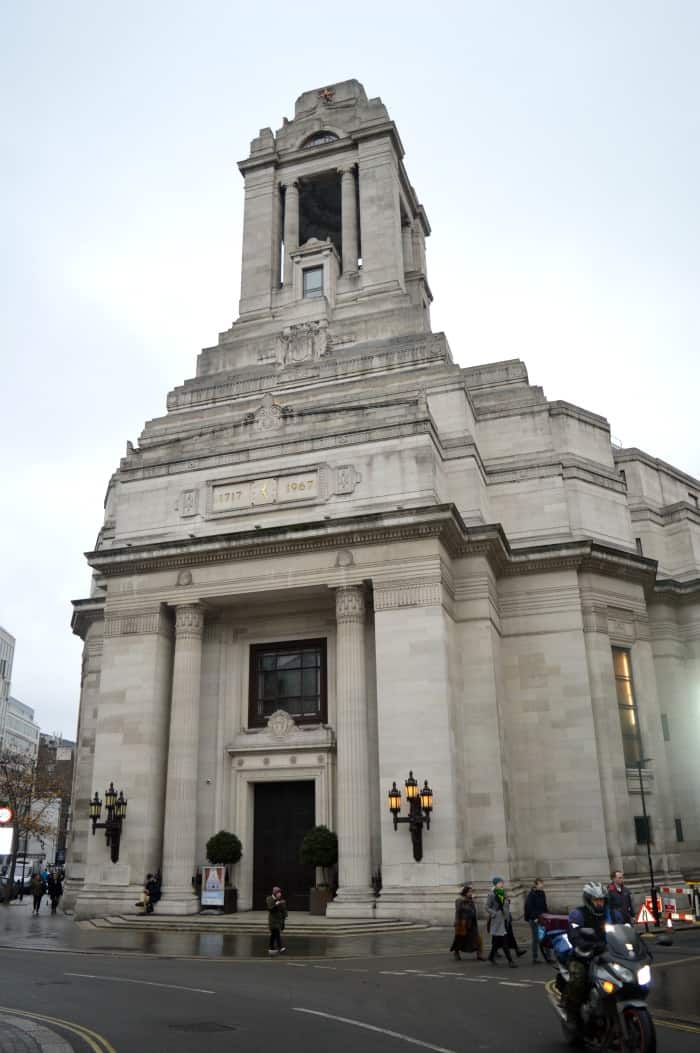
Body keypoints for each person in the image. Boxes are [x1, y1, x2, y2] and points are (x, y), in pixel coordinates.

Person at [449, 885, 486, 961]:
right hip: (463, 923)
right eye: (470, 892)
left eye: (472, 892)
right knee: (460, 939)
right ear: (465, 892)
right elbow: (458, 912)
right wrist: (457, 922)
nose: (471, 893)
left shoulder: (470, 900)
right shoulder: (459, 900)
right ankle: (456, 952)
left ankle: (479, 954)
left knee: (477, 939)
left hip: (472, 923)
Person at [486, 877, 517, 967]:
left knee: (496, 942)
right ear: (495, 884)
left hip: (505, 919)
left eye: (502, 882)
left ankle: (491, 957)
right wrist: (495, 913)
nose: (502, 884)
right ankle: (510, 961)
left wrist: (508, 915)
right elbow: (487, 907)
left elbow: (506, 904)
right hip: (497, 920)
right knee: (504, 942)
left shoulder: (503, 892)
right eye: (500, 882)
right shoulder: (491, 894)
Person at [524, 877, 553, 964]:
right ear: (536, 885)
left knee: (546, 937)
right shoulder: (532, 895)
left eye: (542, 883)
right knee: (536, 939)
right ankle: (535, 958)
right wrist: (535, 918)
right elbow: (529, 907)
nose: (542, 885)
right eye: (541, 883)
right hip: (535, 920)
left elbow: (544, 906)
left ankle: (548, 957)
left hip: (543, 918)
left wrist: (547, 916)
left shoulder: (542, 893)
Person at [266, 885, 288, 955]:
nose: (280, 894)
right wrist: (276, 904)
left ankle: (271, 948)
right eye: (278, 893)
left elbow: (284, 911)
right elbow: (270, 909)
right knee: (276, 934)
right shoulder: (269, 899)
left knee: (273, 935)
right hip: (273, 921)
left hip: (279, 920)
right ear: (275, 893)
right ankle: (280, 947)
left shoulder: (281, 900)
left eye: (280, 893)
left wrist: (283, 921)